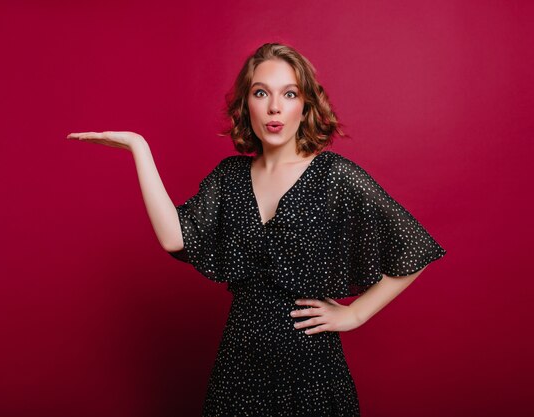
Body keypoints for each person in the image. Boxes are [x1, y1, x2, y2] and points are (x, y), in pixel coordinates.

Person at [67, 42, 446, 417]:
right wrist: (139, 148)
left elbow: (414, 247)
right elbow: (174, 237)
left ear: (307, 105)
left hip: (312, 372)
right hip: (238, 371)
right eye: (261, 93)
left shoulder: (335, 176)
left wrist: (356, 314)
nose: (275, 107)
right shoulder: (230, 178)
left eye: (290, 93)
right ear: (247, 105)